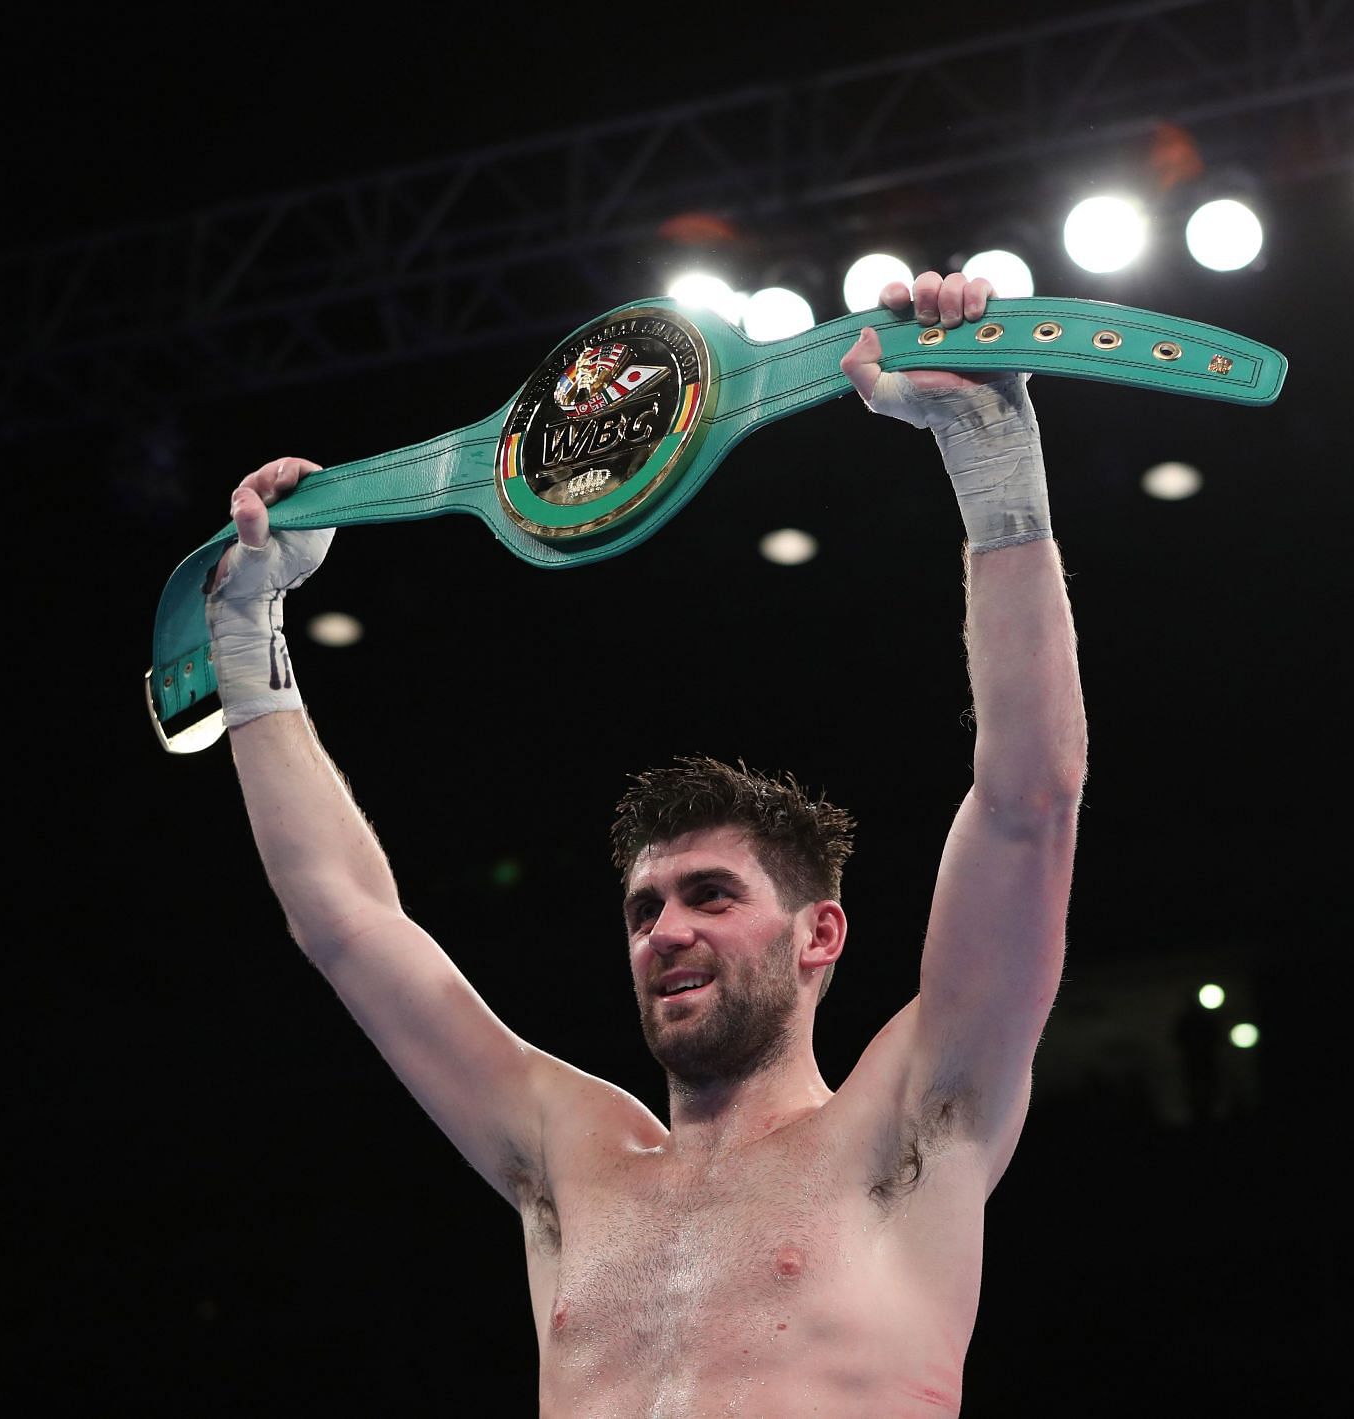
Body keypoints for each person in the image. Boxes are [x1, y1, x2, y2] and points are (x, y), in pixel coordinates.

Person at [205, 270, 1087, 1416]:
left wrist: (992, 462)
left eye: (710, 895)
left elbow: (1030, 802)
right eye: (644, 908)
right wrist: (245, 639)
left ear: (821, 932)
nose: (666, 930)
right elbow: (345, 922)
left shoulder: (911, 1122)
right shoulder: (569, 1157)